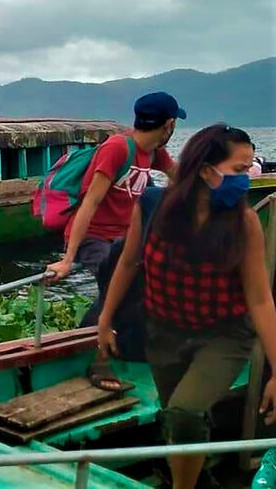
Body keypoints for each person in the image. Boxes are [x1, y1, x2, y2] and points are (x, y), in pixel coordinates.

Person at [97, 125, 276, 489]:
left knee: (184, 412)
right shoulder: (151, 207)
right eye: (239, 170)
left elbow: (259, 299)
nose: (245, 180)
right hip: (164, 331)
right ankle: (202, 479)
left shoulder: (243, 224)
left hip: (224, 336)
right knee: (177, 421)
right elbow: (129, 263)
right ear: (205, 170)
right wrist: (105, 318)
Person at [46, 91, 181, 390]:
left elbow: (180, 177)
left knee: (143, 279)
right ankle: (93, 356)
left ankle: (130, 345)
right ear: (169, 125)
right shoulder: (118, 148)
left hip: (123, 237)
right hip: (93, 236)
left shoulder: (155, 153)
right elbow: (90, 202)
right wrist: (68, 259)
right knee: (115, 285)